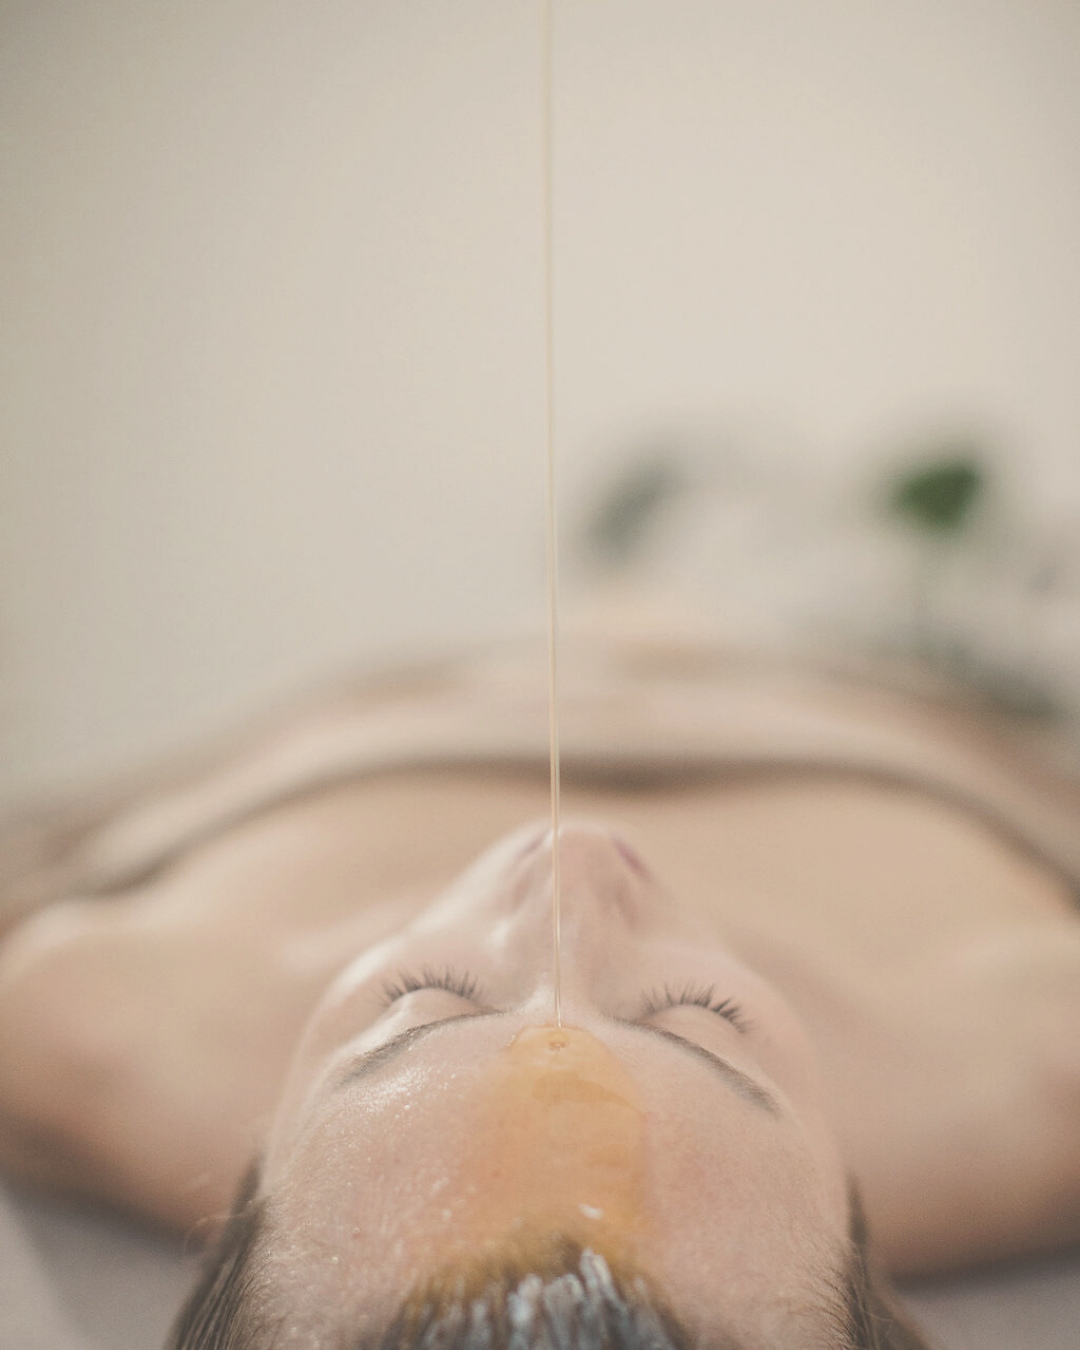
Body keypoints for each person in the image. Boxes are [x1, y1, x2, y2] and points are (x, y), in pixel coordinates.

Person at [1, 620, 1078, 1350]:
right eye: (703, 1020)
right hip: (835, 699)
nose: (572, 863)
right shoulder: (1035, 1075)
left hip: (440, 694)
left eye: (423, 997)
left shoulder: (91, 1029)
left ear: (250, 1167)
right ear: (857, 1232)